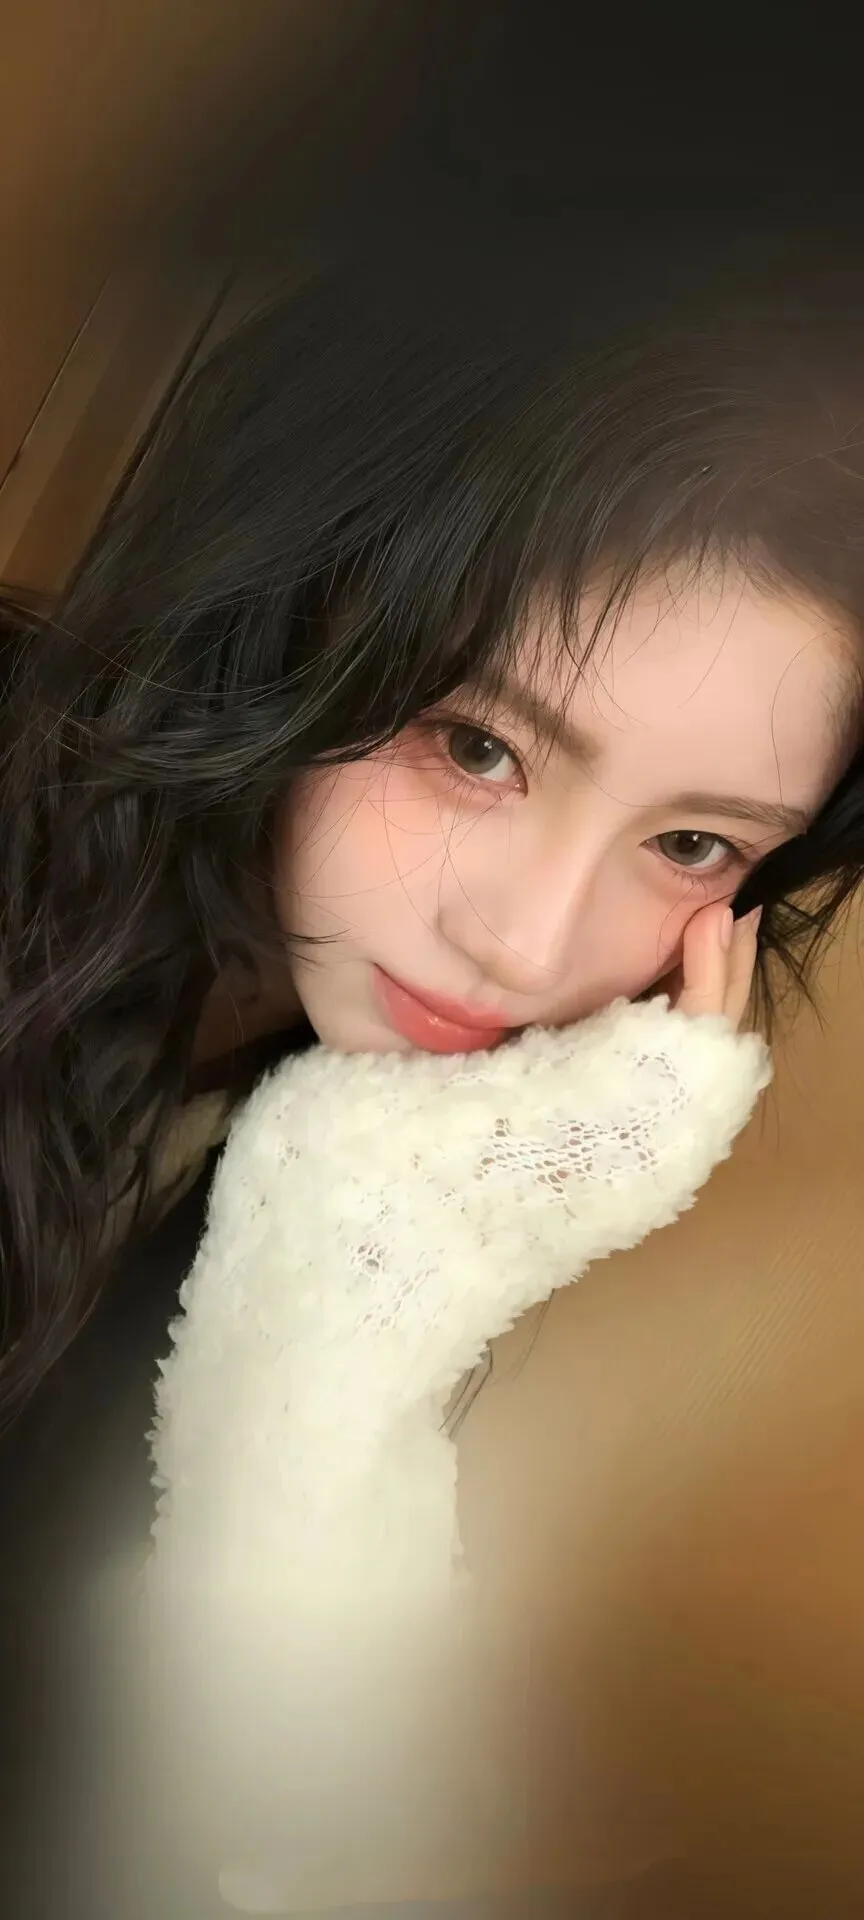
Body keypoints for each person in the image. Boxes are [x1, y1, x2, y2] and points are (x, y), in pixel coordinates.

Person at [1, 218, 863, 1430]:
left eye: (690, 846)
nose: (528, 951)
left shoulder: (373, 1125)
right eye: (477, 748)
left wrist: (426, 1235)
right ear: (295, 608)